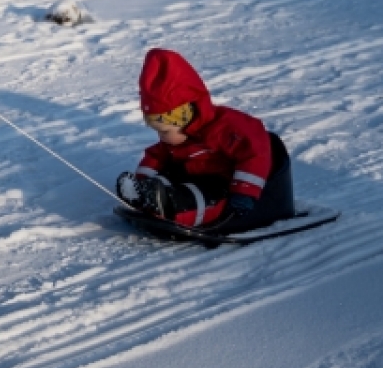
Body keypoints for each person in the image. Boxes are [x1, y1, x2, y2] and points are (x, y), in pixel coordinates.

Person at [117, 48, 295, 231]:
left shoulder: (226, 128)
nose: (161, 137)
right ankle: (147, 194)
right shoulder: (177, 137)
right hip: (193, 175)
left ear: (185, 120)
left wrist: (244, 192)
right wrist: (142, 178)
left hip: (226, 183)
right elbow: (156, 155)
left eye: (164, 131)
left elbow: (255, 153)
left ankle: (169, 206)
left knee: (206, 199)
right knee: (170, 175)